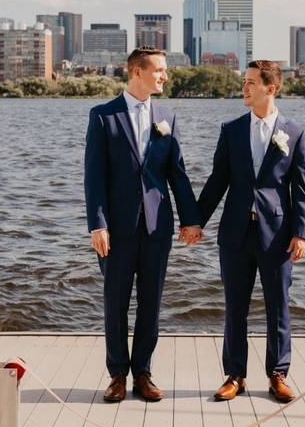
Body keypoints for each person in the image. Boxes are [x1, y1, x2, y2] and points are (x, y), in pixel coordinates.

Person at [83, 46, 202, 403]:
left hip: (156, 228)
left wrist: (191, 219)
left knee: (151, 304)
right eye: (160, 70)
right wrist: (97, 224)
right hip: (115, 230)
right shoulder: (103, 116)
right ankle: (117, 375)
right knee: (115, 303)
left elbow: (176, 174)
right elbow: (94, 177)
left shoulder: (166, 115)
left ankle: (143, 374)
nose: (165, 76)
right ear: (137, 71)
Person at [198, 59, 305, 403]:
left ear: (270, 88)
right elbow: (217, 182)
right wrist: (194, 222)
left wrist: (302, 233)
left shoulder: (294, 133)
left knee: (279, 306)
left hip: (277, 234)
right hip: (234, 234)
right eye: (244, 81)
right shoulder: (230, 129)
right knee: (235, 307)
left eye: (250, 82)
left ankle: (278, 375)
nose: (244, 87)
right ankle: (235, 375)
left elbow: (301, 188)